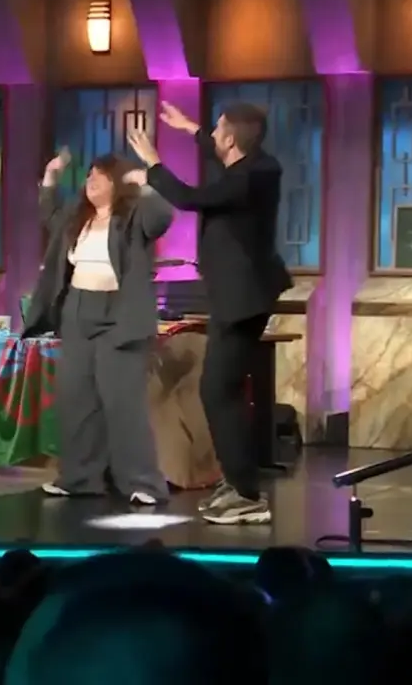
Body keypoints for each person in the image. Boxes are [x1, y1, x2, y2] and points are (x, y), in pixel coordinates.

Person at [124, 101, 292, 525]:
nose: (213, 136)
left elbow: (189, 198)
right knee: (219, 391)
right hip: (236, 297)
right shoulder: (255, 166)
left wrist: (154, 165)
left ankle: (246, 493)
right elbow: (222, 155)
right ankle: (238, 483)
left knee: (218, 391)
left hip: (242, 299)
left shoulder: (247, 178)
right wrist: (191, 128)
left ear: (232, 139)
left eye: (217, 130)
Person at [23, 152, 174, 503]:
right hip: (77, 311)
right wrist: (51, 177)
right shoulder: (78, 218)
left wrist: (147, 184)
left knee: (123, 402)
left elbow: (162, 218)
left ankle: (142, 483)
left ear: (117, 182)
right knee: (77, 399)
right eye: (89, 174)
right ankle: (79, 478)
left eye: (100, 175)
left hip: (119, 314)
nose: (91, 181)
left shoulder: (133, 216)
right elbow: (49, 215)